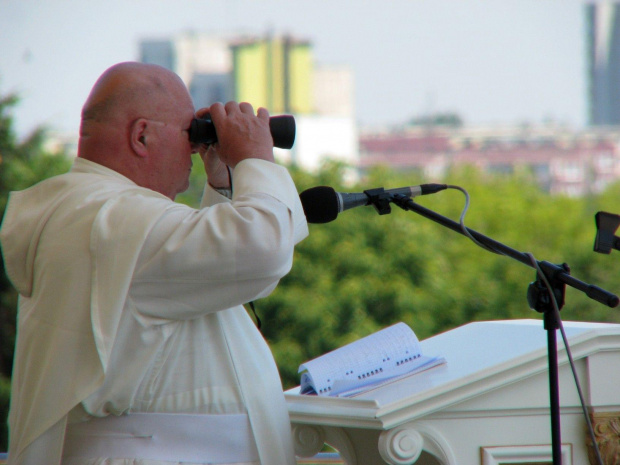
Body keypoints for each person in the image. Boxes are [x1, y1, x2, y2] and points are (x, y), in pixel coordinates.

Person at [0, 61, 309, 465]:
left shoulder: (90, 212)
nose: (196, 148)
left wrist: (223, 179)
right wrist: (255, 158)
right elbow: (263, 249)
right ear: (141, 135)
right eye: (189, 134)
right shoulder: (114, 222)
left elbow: (215, 271)